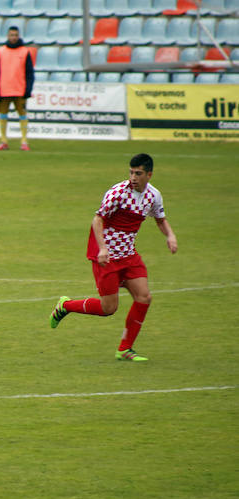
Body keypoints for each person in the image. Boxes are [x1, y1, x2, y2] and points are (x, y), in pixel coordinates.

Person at [49, 154, 178, 362]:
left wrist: (170, 236)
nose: (133, 177)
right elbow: (97, 220)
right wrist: (102, 248)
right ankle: (65, 306)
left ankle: (125, 349)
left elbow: (160, 219)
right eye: (131, 172)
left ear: (149, 174)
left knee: (144, 297)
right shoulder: (117, 193)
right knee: (108, 308)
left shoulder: (154, 195)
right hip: (106, 256)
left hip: (128, 255)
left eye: (138, 173)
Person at [0, 25, 34, 152]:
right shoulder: (1, 51)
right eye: (11, 35)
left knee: (23, 115)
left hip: (19, 89)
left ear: (18, 36)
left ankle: (24, 141)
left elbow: (29, 73)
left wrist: (28, 89)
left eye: (15, 35)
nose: (14, 37)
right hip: (4, 90)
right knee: (2, 115)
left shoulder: (25, 52)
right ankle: (4, 141)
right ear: (8, 36)